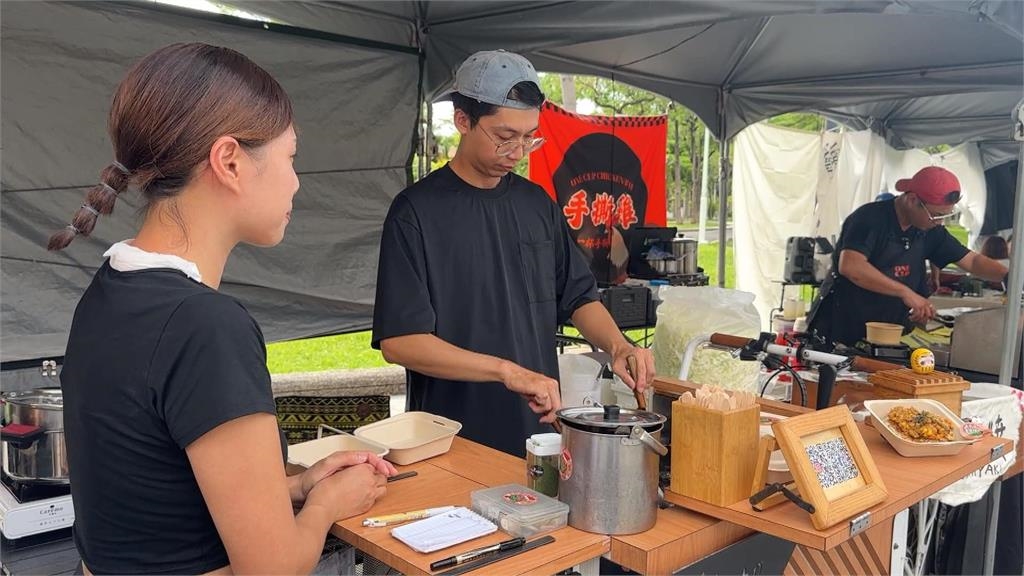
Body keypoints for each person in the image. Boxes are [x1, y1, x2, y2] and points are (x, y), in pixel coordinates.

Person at [51, 43, 395, 575]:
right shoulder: (205, 325)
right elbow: (272, 569)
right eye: (291, 158)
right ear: (230, 161)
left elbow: (157, 494)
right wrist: (328, 504)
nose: (296, 181)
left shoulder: (109, 286)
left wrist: (297, 486)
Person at [371, 50, 655, 457]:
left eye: (529, 137)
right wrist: (505, 371)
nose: (518, 152)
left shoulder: (537, 204)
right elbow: (401, 342)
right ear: (463, 120)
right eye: (504, 137)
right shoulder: (415, 212)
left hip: (537, 436)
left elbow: (578, 296)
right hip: (449, 439)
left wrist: (619, 345)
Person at [808, 166, 1009, 347]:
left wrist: (1008, 276)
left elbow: (972, 261)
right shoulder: (869, 219)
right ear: (912, 200)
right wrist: (906, 293)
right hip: (842, 328)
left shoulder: (930, 230)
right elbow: (851, 266)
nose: (939, 222)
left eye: (944, 216)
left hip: (891, 333)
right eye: (935, 215)